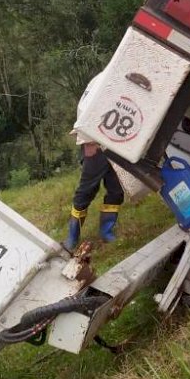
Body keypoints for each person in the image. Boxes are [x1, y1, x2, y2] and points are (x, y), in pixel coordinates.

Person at [63, 73, 125, 251]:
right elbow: (84, 109)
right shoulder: (102, 80)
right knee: (86, 191)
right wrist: (88, 141)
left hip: (116, 145)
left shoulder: (126, 81)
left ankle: (106, 231)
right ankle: (72, 236)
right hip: (95, 146)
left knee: (116, 189)